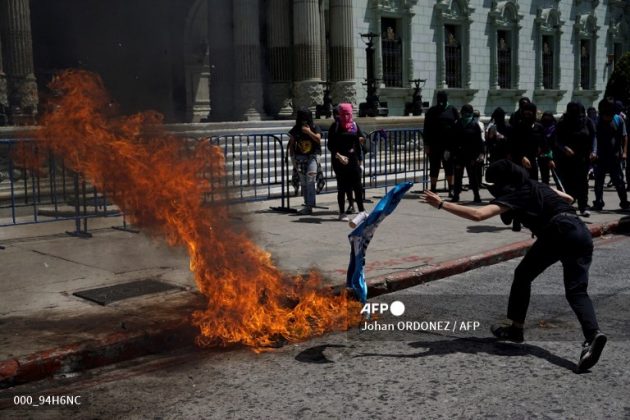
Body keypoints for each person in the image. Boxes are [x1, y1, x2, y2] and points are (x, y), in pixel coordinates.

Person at [421, 159, 607, 372]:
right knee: (575, 290)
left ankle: (516, 329)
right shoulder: (536, 185)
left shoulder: (517, 193)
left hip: (558, 232)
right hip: (581, 232)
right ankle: (593, 335)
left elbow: (478, 215)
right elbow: (567, 197)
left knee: (523, 275)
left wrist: (441, 204)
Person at [555, 102, 596, 217]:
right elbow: (557, 140)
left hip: (583, 158)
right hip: (566, 159)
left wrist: (594, 151)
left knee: (583, 183)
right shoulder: (562, 123)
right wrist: (565, 148)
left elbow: (593, 137)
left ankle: (583, 206)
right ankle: (569, 207)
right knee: (568, 184)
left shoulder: (587, 122)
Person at [328, 103, 367, 221]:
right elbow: (330, 145)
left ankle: (362, 211)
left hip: (353, 160)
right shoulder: (335, 126)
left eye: (348, 114)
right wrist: (339, 156)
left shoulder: (354, 125)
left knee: (358, 186)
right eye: (343, 114)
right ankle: (342, 212)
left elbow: (361, 139)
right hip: (339, 161)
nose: (346, 117)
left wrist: (362, 140)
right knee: (342, 187)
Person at [592, 98, 629, 211]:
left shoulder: (618, 119)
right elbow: (594, 138)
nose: (608, 118)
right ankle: (598, 202)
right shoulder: (597, 121)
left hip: (615, 157)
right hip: (600, 157)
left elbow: (624, 136)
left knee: (619, 181)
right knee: (599, 182)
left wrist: (625, 152)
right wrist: (594, 152)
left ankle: (624, 202)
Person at [423, 91, 459, 194]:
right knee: (434, 166)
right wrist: (426, 144)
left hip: (448, 145)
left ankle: (451, 188)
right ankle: (433, 188)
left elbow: (457, 126)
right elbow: (426, 128)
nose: (441, 102)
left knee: (449, 166)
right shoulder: (432, 111)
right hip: (434, 145)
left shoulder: (452, 110)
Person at [288, 108, 322, 215]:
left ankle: (310, 205)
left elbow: (318, 139)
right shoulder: (296, 129)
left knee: (310, 179)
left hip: (313, 156)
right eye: (302, 119)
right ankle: (307, 205)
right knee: (304, 182)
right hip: (299, 157)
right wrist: (292, 157)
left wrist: (309, 132)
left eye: (306, 118)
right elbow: (292, 144)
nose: (304, 121)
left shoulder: (315, 127)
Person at [451, 104, 483, 202]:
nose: (465, 114)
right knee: (458, 176)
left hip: (471, 155)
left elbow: (479, 142)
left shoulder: (474, 125)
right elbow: (453, 140)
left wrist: (480, 154)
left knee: (473, 176)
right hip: (459, 155)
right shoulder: (458, 124)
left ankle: (476, 195)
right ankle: (456, 195)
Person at [510, 101, 544, 182]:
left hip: (532, 160)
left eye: (530, 110)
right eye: (526, 110)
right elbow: (512, 144)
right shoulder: (517, 127)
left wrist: (548, 157)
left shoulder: (538, 127)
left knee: (533, 183)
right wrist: (522, 157)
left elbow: (544, 143)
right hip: (519, 160)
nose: (527, 113)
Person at [538, 111, 557, 185]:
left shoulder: (555, 128)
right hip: (543, 155)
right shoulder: (540, 128)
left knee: (555, 175)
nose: (546, 118)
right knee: (544, 177)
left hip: (554, 155)